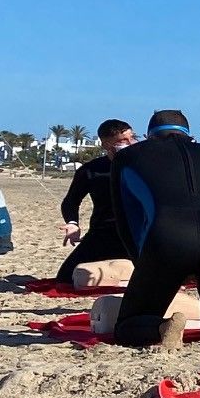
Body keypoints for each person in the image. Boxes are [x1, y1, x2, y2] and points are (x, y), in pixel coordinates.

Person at [108, 110, 200, 348]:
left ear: (149, 136)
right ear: (189, 134)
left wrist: (143, 263)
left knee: (128, 325)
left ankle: (163, 327)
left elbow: (127, 221)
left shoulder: (128, 157)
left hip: (168, 240)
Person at [55, 119, 136, 285]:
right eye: (123, 141)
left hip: (138, 234)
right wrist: (72, 223)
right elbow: (71, 201)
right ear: (106, 144)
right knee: (65, 278)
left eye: (132, 138)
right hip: (103, 233)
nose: (130, 143)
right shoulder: (90, 170)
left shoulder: (145, 165)